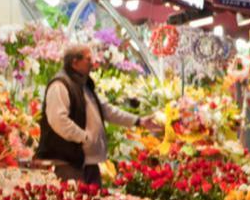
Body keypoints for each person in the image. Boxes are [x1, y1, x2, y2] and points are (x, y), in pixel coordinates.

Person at [35, 43, 158, 185]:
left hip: (88, 162)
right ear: (75, 62)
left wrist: (138, 121)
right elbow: (58, 120)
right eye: (88, 59)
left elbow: (106, 110)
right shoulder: (60, 85)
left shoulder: (83, 84)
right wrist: (83, 137)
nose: (93, 63)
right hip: (70, 164)